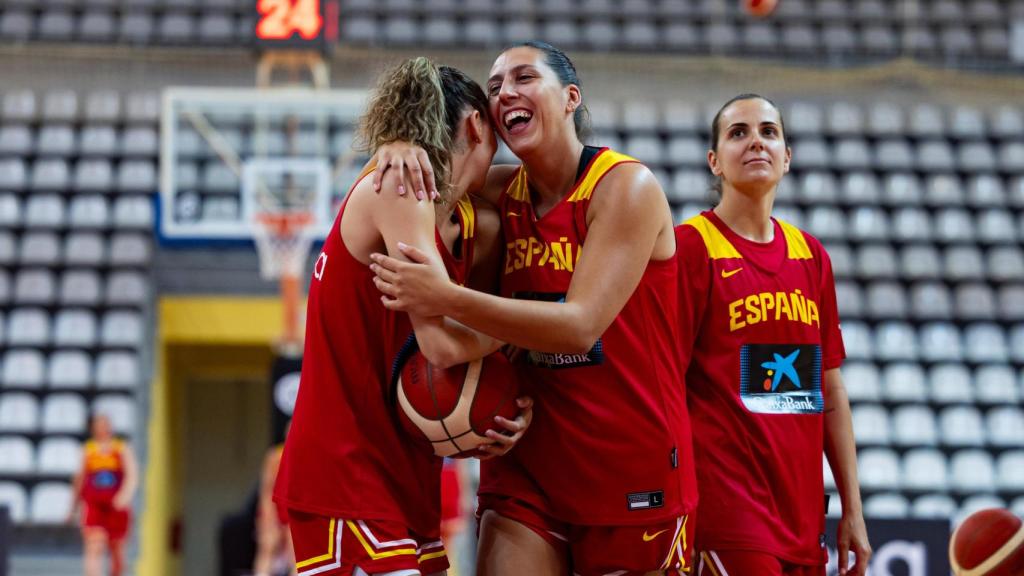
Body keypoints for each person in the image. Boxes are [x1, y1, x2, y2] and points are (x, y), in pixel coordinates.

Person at [368, 41, 696, 576]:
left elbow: (579, 327)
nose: (505, 93)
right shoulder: (500, 192)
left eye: (523, 78)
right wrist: (396, 143)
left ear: (570, 97)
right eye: (495, 87)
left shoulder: (625, 187)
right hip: (527, 464)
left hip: (630, 462)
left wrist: (446, 297)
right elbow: (420, 184)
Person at [272, 57, 532, 576]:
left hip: (401, 472)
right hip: (345, 467)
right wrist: (536, 325)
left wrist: (506, 401)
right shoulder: (398, 185)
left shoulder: (451, 208)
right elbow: (439, 346)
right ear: (477, 125)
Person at [675, 94, 871, 576]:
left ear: (787, 157)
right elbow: (664, 381)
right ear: (714, 161)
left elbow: (825, 390)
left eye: (768, 131)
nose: (756, 142)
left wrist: (854, 508)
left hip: (802, 517)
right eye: (738, 133)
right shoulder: (691, 247)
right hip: (727, 512)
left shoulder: (811, 256)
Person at [68, 413, 138, 576]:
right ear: (93, 428)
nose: (103, 428)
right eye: (99, 424)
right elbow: (79, 480)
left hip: (116, 505)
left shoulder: (121, 448)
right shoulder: (88, 450)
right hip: (94, 505)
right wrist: (73, 508)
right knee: (94, 545)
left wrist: (124, 496)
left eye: (105, 423)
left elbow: (132, 475)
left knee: (117, 551)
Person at [253, 423, 295, 576]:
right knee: (268, 547)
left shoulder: (305, 457)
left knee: (296, 553)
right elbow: (266, 490)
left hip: (292, 512)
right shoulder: (275, 456)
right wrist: (269, 520)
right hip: (275, 509)